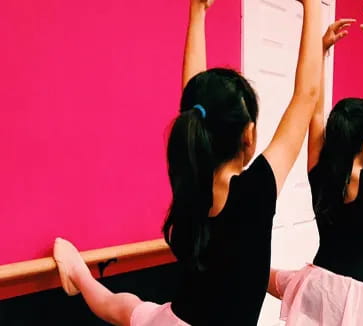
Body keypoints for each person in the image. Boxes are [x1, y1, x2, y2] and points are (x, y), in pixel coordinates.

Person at [53, 0, 324, 325]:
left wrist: (197, 13)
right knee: (126, 308)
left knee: (122, 307)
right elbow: (306, 96)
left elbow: (194, 100)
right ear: (249, 135)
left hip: (176, 320)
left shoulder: (193, 177)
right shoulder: (256, 189)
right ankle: (78, 273)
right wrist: (311, 6)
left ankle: (78, 274)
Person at [268, 8, 363, 326]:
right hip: (356, 299)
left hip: (317, 285)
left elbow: (314, 110)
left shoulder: (320, 169)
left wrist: (322, 49)